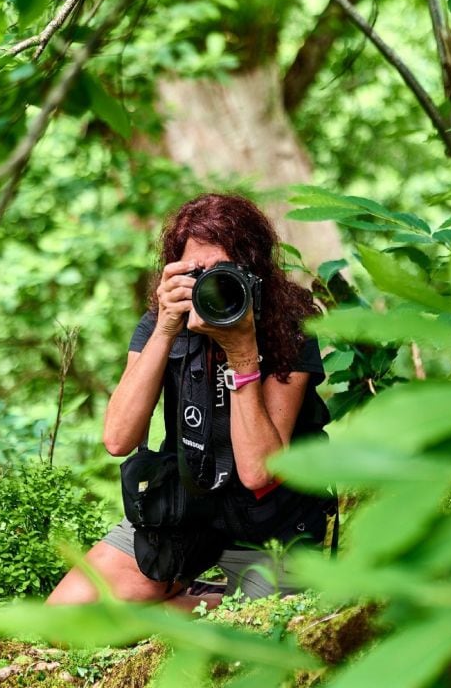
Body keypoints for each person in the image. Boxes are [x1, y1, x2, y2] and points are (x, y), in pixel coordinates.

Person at [47, 193, 332, 608]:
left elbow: (259, 474)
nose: (212, 285)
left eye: (226, 271)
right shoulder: (162, 323)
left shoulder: (288, 325)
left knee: (257, 637)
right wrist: (164, 328)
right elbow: (117, 439)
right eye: (197, 272)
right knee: (67, 613)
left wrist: (242, 354)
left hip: (272, 526)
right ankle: (206, 596)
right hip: (188, 515)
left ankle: (213, 603)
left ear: (254, 272)